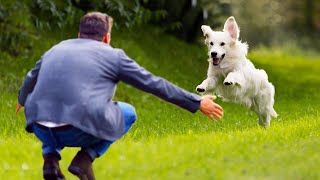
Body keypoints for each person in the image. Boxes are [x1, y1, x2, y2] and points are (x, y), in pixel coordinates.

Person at [16, 12, 223, 180]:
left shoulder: (55, 49)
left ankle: (50, 160)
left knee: (53, 103)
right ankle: (84, 159)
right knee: (128, 112)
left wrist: (21, 99)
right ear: (107, 37)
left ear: (79, 35)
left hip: (38, 125)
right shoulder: (113, 56)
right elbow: (154, 84)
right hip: (77, 129)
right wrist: (196, 101)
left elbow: (30, 77)